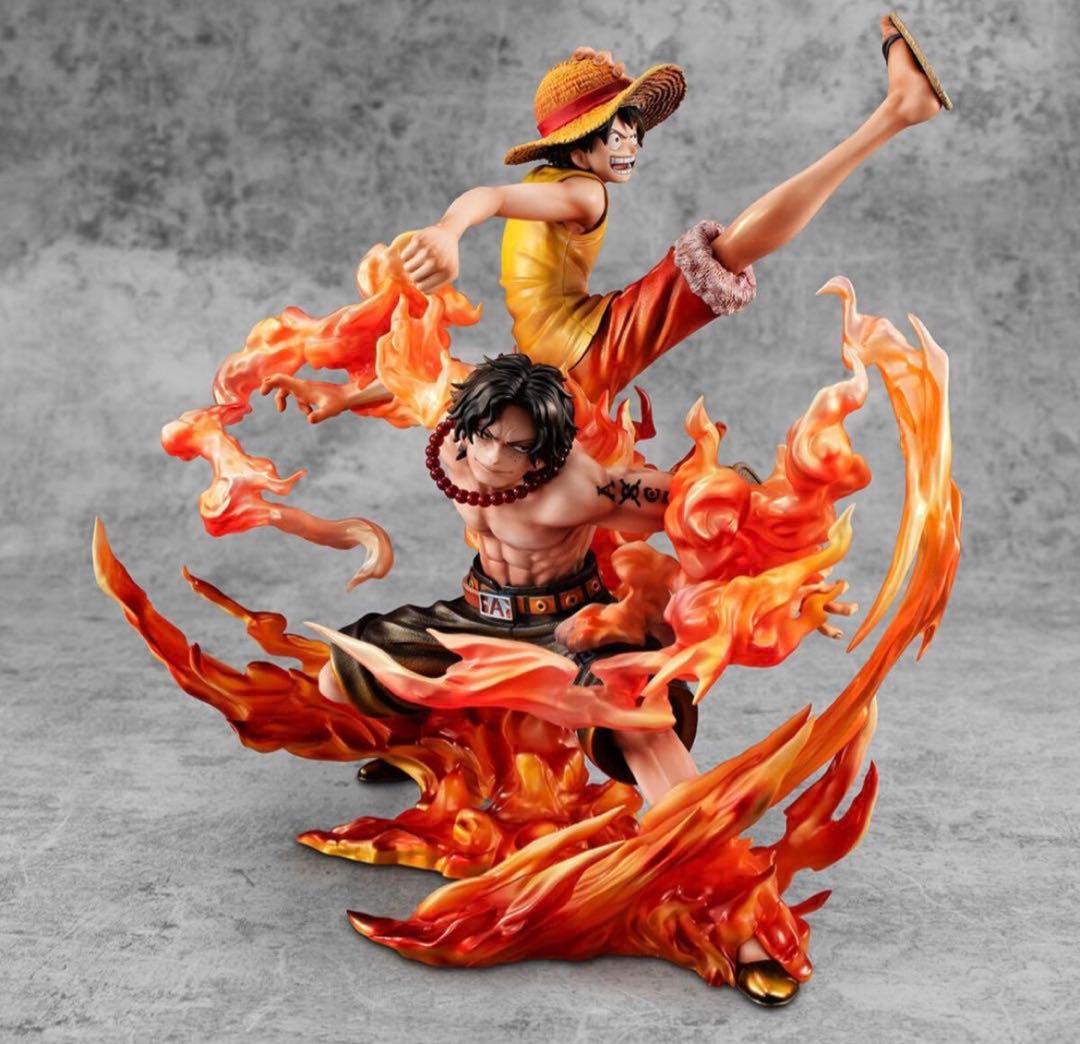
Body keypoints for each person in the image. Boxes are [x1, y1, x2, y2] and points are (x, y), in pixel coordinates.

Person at [313, 353, 852, 1005]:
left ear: (544, 449)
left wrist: (781, 575)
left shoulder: (578, 486)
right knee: (341, 680)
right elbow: (408, 374)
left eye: (517, 448)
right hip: (476, 614)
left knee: (644, 736)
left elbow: (697, 504)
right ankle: (454, 756)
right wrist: (340, 396)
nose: (493, 458)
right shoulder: (454, 435)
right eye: (487, 437)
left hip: (572, 626)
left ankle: (746, 919)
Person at [307, 13, 950, 416]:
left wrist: (347, 394)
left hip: (560, 355)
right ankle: (898, 111)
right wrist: (448, 229)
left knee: (717, 258)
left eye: (635, 130)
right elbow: (490, 197)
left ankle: (899, 109)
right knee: (721, 255)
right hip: (579, 353)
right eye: (617, 132)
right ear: (576, 143)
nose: (632, 145)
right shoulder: (579, 194)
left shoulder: (570, 190)